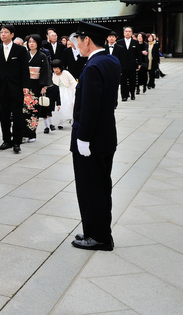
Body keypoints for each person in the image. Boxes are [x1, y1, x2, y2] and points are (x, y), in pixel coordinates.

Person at [70, 22, 121, 251]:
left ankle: (98, 237)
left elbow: (90, 107)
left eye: (78, 40)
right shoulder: (111, 60)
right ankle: (100, 231)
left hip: (91, 139)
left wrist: (83, 138)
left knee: (90, 188)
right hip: (106, 135)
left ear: (87, 39)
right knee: (102, 186)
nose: (77, 44)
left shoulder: (92, 66)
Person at [0, 24, 30, 154]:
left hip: (17, 87)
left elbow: (25, 70)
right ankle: (6, 140)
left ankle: (17, 141)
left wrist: (25, 86)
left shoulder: (20, 50)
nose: (2, 34)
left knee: (18, 115)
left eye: (5, 32)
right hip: (2, 87)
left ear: (12, 34)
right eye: (1, 32)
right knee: (4, 115)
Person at [21, 34, 52, 143]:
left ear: (38, 43)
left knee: (34, 111)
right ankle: (23, 134)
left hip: (36, 85)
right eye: (30, 42)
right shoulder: (24, 54)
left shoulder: (42, 56)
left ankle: (31, 133)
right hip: (24, 85)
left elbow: (45, 71)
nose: (31, 44)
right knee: (23, 110)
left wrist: (44, 86)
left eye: (34, 42)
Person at [51, 60, 77, 129]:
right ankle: (60, 122)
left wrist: (74, 90)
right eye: (54, 68)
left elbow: (73, 82)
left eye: (57, 68)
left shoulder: (66, 73)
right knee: (59, 107)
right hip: (57, 92)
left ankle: (72, 120)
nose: (56, 70)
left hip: (66, 91)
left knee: (68, 106)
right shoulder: (53, 74)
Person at [117, 26, 140, 101]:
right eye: (126, 31)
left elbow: (138, 54)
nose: (127, 33)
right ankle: (124, 96)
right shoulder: (119, 42)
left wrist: (139, 63)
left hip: (132, 64)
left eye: (129, 31)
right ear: (123, 33)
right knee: (123, 81)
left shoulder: (135, 42)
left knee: (132, 80)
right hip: (122, 64)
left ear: (132, 33)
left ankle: (133, 94)